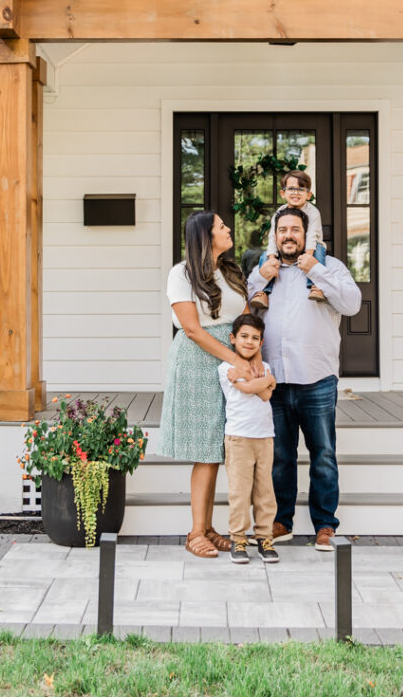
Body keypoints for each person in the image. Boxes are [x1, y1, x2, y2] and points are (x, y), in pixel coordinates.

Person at [247, 208, 362, 551]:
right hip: (275, 381)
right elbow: (246, 312)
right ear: (274, 235)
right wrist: (258, 279)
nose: (288, 235)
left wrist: (318, 271)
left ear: (306, 234)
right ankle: (282, 520)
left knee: (323, 455)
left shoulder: (330, 267)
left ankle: (325, 525)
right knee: (280, 456)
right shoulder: (264, 272)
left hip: (317, 379)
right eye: (282, 229)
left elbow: (353, 303)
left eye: (295, 229)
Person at [158, 210, 263, 559]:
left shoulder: (230, 271)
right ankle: (195, 532)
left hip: (232, 360)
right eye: (221, 226)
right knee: (205, 448)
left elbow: (245, 318)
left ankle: (209, 526)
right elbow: (192, 329)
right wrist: (237, 360)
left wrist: (253, 356)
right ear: (205, 235)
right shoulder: (182, 274)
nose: (228, 229)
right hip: (198, 362)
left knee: (221, 446)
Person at [218, 313, 279, 565]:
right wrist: (267, 382)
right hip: (239, 438)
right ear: (233, 339)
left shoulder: (266, 367)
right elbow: (252, 390)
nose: (249, 341)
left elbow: (264, 396)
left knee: (265, 491)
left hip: (264, 437)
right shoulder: (226, 368)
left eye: (255, 338)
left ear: (261, 342)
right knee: (240, 492)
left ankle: (264, 537)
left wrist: (264, 380)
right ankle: (238, 538)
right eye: (244, 336)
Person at [249, 170, 327, 310]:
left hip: (312, 246)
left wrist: (308, 256)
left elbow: (311, 236)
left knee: (319, 254)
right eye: (291, 188)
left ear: (309, 194)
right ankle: (263, 292)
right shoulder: (279, 213)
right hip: (286, 247)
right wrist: (272, 258)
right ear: (282, 193)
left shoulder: (313, 212)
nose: (296, 193)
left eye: (301, 189)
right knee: (264, 257)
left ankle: (316, 286)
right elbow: (273, 238)